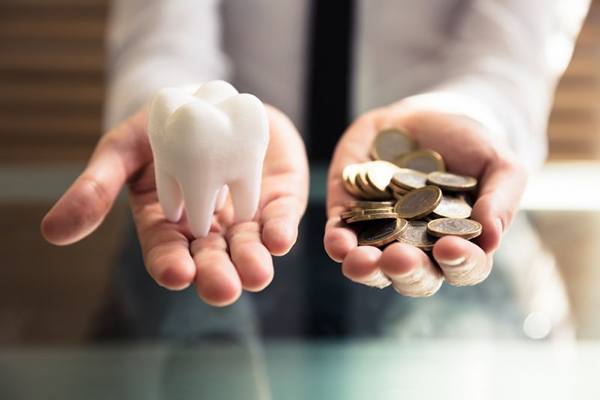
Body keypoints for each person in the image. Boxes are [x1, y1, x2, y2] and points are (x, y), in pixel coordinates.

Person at [40, 0, 588, 324]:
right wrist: (173, 105)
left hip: (472, 322)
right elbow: (162, 33)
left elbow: (512, 52)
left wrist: (469, 116)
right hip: (223, 234)